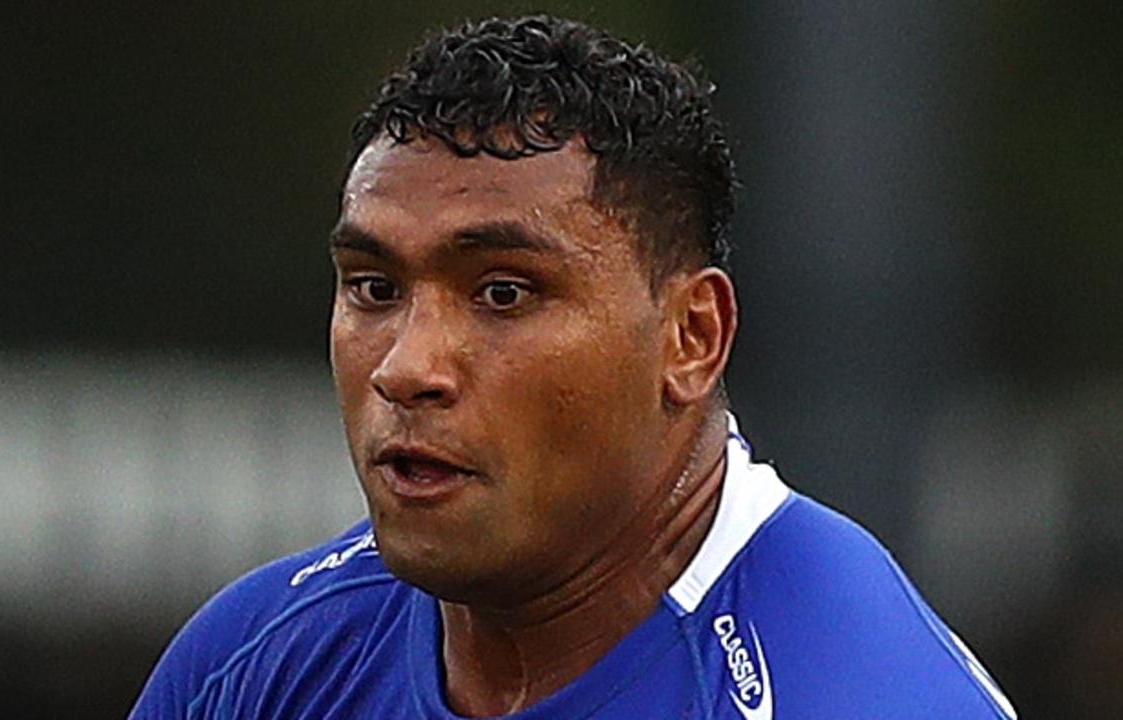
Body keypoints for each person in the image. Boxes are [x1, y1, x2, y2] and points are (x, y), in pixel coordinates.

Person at [129, 15, 1016, 719]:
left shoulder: (848, 694)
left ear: (690, 339)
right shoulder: (257, 664)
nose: (407, 367)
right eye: (373, 287)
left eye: (503, 294)